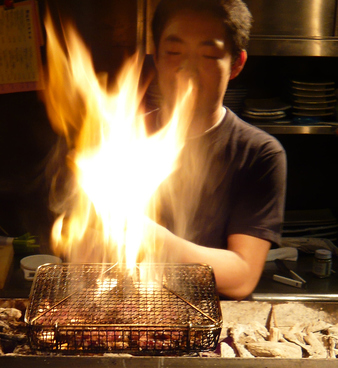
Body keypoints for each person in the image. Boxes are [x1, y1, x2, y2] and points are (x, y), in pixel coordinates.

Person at [145, 0, 287, 300]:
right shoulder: (123, 138)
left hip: (213, 329)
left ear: (236, 64)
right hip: (123, 315)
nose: (187, 69)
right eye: (173, 52)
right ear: (156, 56)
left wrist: (150, 237)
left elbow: (242, 276)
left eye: (209, 55)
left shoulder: (258, 154)